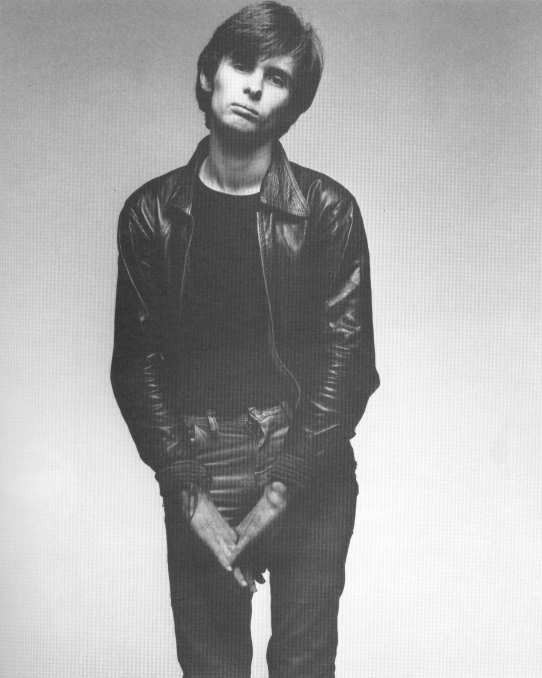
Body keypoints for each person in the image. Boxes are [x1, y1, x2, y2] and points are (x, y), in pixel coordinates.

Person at [111, 2, 379, 676]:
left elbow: (348, 362)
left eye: (278, 77)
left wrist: (284, 487)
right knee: (210, 667)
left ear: (294, 105)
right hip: (201, 462)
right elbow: (136, 365)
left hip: (308, 459)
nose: (255, 86)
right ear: (210, 75)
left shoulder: (327, 212)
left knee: (303, 663)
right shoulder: (151, 215)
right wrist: (188, 493)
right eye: (242, 64)